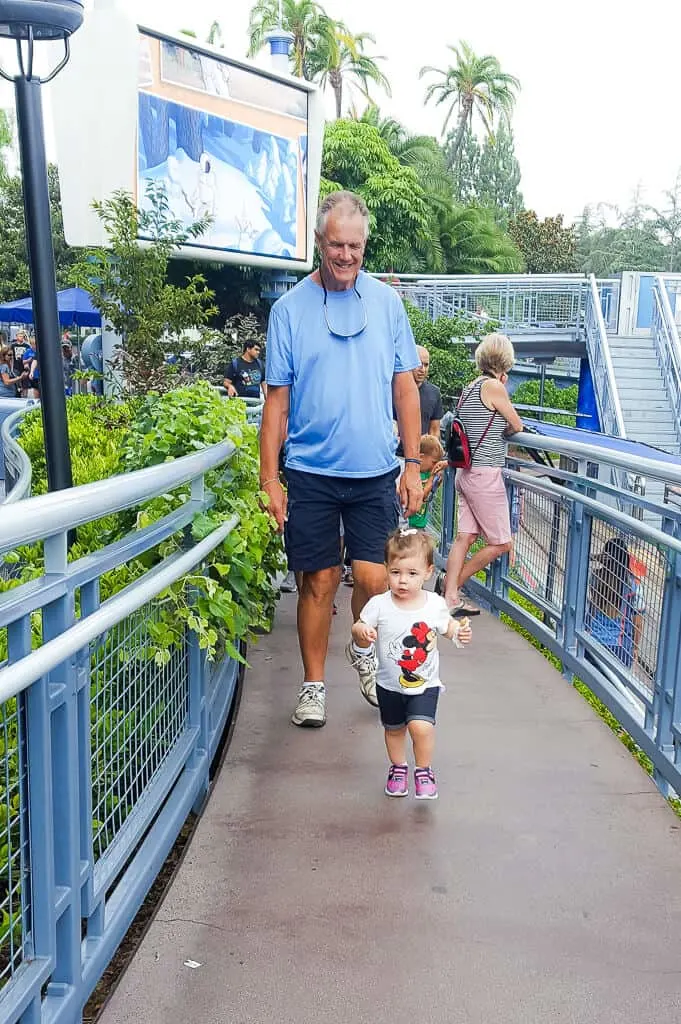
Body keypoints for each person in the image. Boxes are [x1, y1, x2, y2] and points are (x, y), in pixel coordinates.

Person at [259, 190, 423, 729]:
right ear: (319, 244)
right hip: (310, 472)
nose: (346, 255)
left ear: (364, 244)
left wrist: (412, 463)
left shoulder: (388, 304)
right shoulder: (288, 311)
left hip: (375, 470)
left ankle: (360, 646)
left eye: (355, 245)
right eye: (336, 245)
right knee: (319, 581)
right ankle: (312, 686)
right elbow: (276, 401)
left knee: (376, 581)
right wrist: (269, 477)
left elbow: (405, 389)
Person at [351, 528, 472, 799]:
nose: (403, 581)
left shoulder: (434, 605)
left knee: (421, 726)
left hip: (425, 683)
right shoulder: (379, 604)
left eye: (412, 574)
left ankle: (424, 770)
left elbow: (449, 628)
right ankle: (398, 768)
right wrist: (361, 632)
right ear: (386, 569)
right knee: (394, 730)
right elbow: (360, 625)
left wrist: (459, 633)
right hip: (388, 684)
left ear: (428, 572)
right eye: (396, 573)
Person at [443, 333, 524, 616]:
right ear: (506, 361)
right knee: (501, 542)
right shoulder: (494, 387)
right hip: (485, 475)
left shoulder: (471, 386)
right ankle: (451, 589)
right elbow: (517, 425)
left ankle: (450, 593)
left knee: (465, 536)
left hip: (465, 472)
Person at [586, 537, 646, 669]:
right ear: (626, 559)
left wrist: (594, 557)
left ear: (604, 557)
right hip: (620, 649)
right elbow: (637, 623)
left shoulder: (595, 577)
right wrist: (635, 649)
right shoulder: (635, 586)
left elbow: (581, 560)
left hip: (591, 641)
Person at [395, 344, 443, 456]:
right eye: (418, 364)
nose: (423, 369)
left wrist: (434, 457)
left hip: (422, 458)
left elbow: (434, 431)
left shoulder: (434, 392)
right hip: (395, 456)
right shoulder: (393, 389)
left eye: (426, 365)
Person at [408, 435, 448, 530]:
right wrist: (431, 478)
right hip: (409, 524)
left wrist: (436, 484)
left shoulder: (426, 473)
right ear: (421, 457)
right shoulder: (413, 475)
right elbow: (421, 496)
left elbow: (429, 492)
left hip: (420, 523)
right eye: (434, 463)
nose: (435, 466)